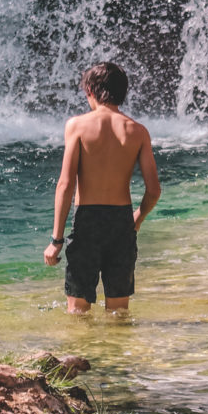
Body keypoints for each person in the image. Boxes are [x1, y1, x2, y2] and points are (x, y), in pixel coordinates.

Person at [45, 61, 161, 314]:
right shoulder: (138, 131)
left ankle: (82, 352)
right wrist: (137, 219)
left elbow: (66, 184)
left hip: (87, 222)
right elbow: (153, 190)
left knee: (77, 310)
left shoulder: (77, 126)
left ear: (90, 89)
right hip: (122, 223)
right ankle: (115, 353)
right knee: (119, 312)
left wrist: (56, 240)